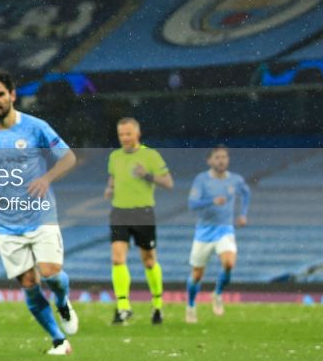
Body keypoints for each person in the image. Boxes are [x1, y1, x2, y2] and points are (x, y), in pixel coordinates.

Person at [0, 69, 79, 355]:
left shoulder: (35, 126)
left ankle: (62, 301)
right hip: (6, 222)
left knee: (50, 274)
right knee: (29, 283)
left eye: (0, 94)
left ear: (12, 95)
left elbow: (68, 157)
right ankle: (59, 340)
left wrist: (46, 178)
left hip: (40, 214)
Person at [105, 117, 173, 325]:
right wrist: (110, 188)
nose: (124, 138)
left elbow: (168, 183)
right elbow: (113, 177)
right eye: (121, 135)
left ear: (137, 134)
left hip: (143, 213)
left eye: (128, 134)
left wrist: (147, 175)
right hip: (119, 212)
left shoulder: (150, 155)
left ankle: (158, 304)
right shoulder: (114, 156)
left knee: (149, 260)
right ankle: (123, 306)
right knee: (117, 258)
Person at [185, 146, 250, 323]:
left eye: (224, 157)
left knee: (229, 263)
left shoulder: (235, 180)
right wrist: (211, 201)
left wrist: (243, 213)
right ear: (210, 161)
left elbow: (246, 193)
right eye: (217, 157)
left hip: (225, 229)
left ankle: (218, 293)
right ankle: (191, 306)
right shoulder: (202, 180)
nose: (221, 160)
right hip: (204, 232)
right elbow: (192, 204)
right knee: (197, 275)